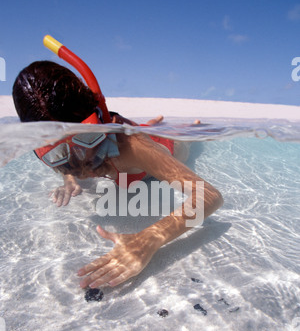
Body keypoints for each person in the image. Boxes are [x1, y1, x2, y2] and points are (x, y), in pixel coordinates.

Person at [13, 60, 223, 290]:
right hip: (138, 143)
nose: (80, 161)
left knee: (183, 141)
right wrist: (69, 177)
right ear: (42, 147)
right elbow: (69, 158)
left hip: (165, 149)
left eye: (86, 137)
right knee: (137, 132)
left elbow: (209, 195)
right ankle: (149, 125)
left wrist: (149, 239)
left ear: (99, 118)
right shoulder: (58, 153)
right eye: (58, 152)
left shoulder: (132, 146)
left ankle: (190, 129)